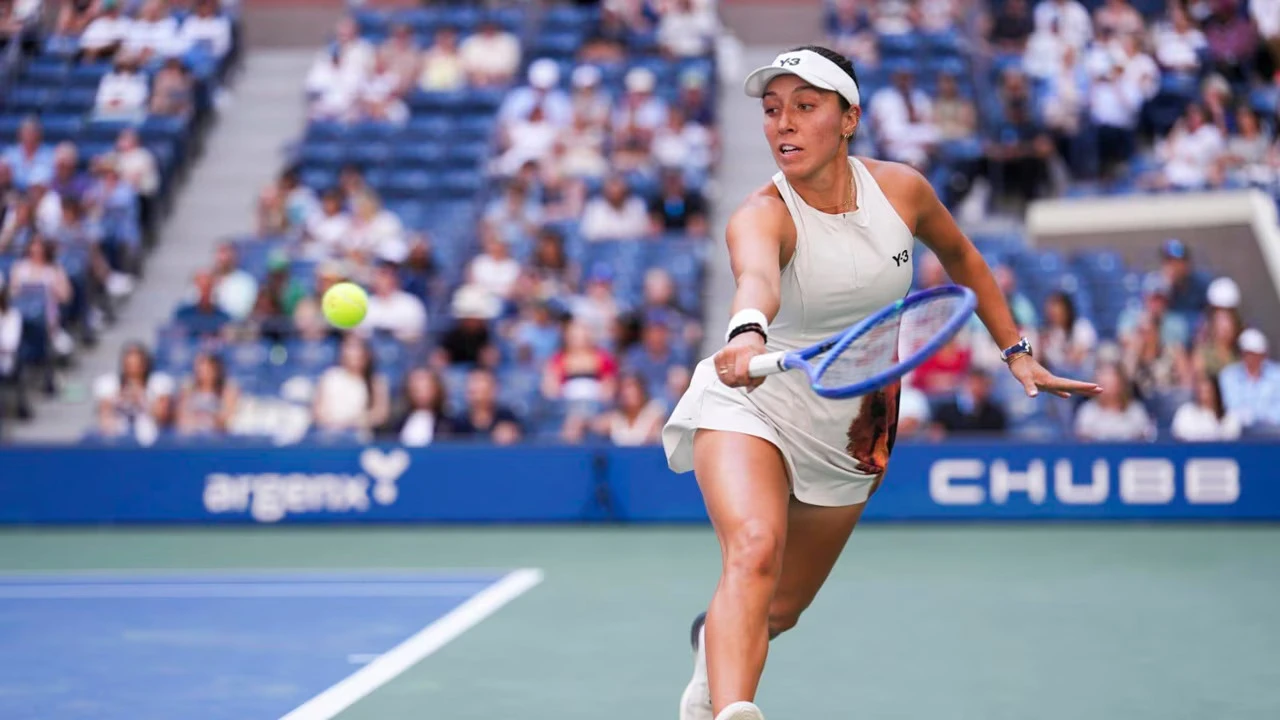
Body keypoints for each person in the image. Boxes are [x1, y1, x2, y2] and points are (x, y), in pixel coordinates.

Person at [660, 45, 1101, 720]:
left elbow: (964, 260)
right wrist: (746, 332)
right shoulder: (760, 213)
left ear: (849, 119)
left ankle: (708, 646)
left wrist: (1016, 351)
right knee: (753, 550)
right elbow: (756, 280)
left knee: (779, 609)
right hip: (753, 402)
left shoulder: (902, 191)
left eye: (805, 106)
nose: (784, 123)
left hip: (852, 429)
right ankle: (732, 708)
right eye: (772, 110)